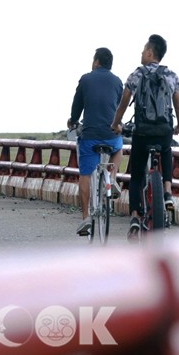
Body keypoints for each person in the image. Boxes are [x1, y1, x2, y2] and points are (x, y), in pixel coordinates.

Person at [111, 34, 179, 240]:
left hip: (142, 132)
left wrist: (116, 124)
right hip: (163, 130)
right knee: (167, 150)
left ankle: (135, 216)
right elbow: (178, 102)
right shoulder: (170, 75)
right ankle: (168, 192)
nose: (141, 53)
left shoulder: (136, 74)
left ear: (150, 52)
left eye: (143, 50)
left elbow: (124, 103)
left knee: (136, 175)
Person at [68, 47, 124, 235]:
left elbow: (77, 107)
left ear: (96, 61)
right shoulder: (117, 82)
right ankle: (113, 178)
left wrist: (73, 121)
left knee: (85, 174)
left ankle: (85, 218)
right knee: (118, 149)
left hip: (90, 136)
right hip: (111, 134)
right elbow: (117, 108)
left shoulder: (85, 79)